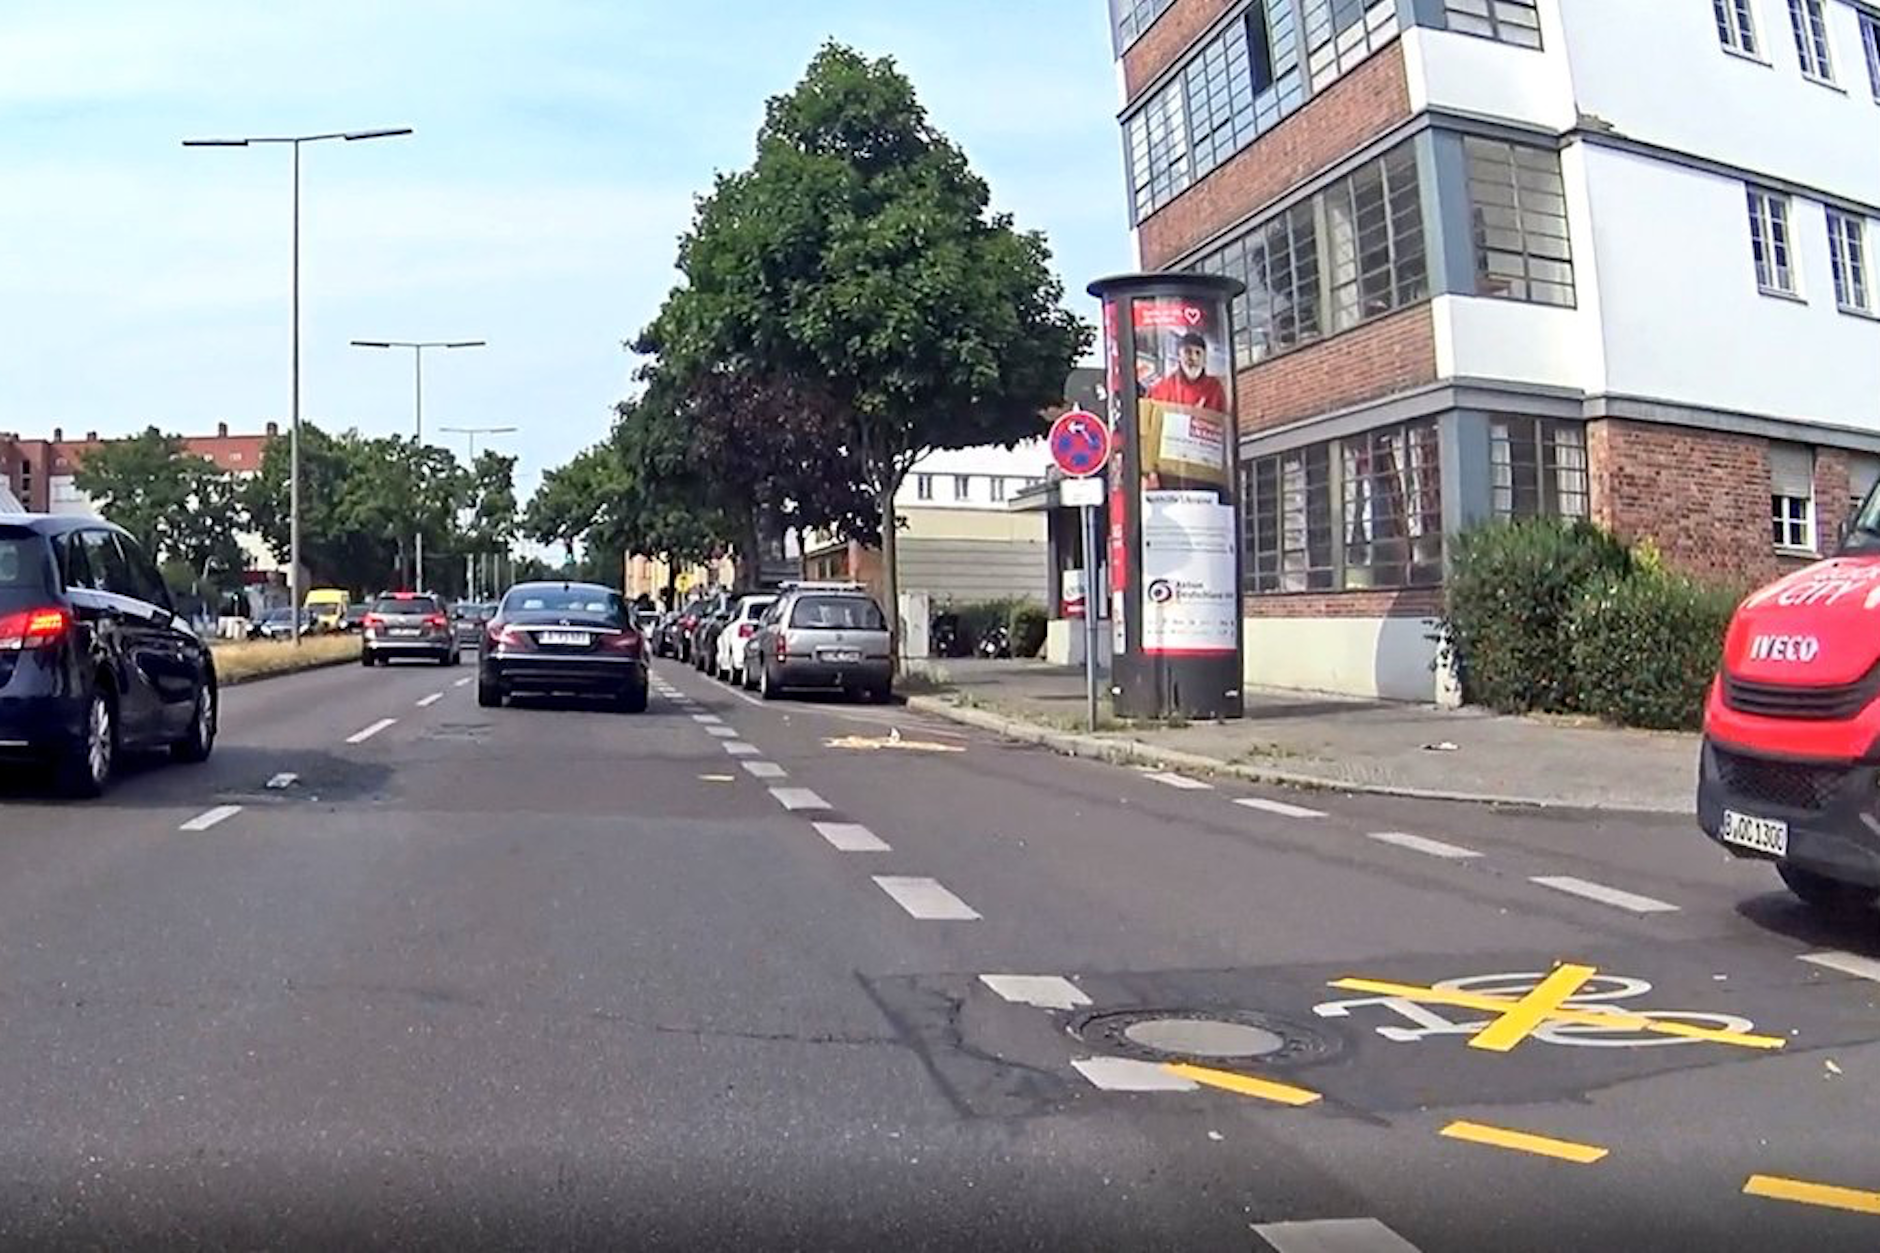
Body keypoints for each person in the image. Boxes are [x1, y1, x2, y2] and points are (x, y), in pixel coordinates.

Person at [1146, 331, 1228, 413]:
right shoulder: (1162, 387)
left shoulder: (1215, 387)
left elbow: (1224, 420)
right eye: (1188, 352)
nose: (1193, 358)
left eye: (1198, 353)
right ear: (1179, 356)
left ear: (1204, 360)